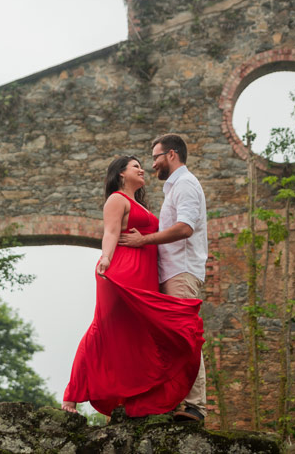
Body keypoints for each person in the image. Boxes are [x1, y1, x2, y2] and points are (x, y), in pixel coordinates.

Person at [61, 155, 204, 418]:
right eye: (136, 167)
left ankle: (135, 397)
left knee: (137, 335)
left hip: (144, 276)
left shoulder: (139, 203)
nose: (143, 170)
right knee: (103, 329)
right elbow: (111, 232)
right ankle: (71, 395)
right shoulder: (116, 199)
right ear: (120, 174)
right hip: (122, 271)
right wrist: (105, 257)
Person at [117, 134, 208, 422]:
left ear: (171, 154)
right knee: (173, 339)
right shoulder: (174, 188)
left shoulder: (185, 185)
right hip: (173, 272)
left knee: (185, 336)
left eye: (155, 157)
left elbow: (184, 228)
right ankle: (171, 401)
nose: (152, 164)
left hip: (181, 271)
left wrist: (144, 240)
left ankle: (196, 407)